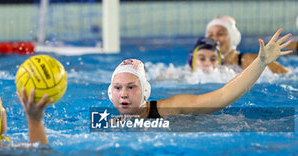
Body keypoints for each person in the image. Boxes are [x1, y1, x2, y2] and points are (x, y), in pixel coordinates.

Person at [108, 28, 292, 118]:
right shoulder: (107, 123)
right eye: (117, 88)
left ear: (145, 91)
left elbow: (222, 96)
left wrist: (260, 63)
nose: (123, 94)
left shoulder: (169, 108)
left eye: (131, 87)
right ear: (110, 93)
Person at [205, 16, 291, 74]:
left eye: (220, 34)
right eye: (210, 35)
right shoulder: (202, 63)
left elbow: (287, 75)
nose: (214, 39)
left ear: (233, 37)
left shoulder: (248, 61)